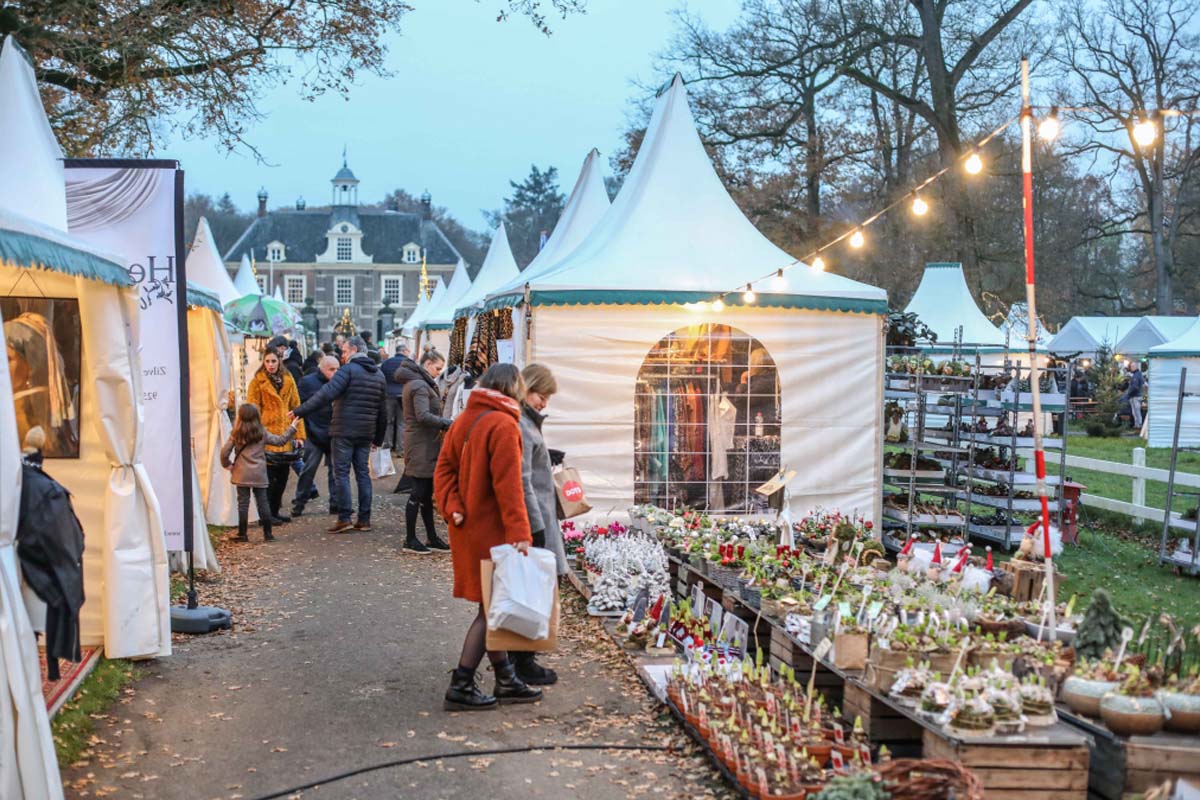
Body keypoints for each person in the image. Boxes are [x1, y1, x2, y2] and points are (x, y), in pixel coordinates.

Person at [435, 363, 542, 710]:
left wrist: (453, 507)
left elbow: (444, 468)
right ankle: (462, 684)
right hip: (492, 533)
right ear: (514, 388)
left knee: (491, 605)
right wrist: (520, 533)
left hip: (467, 528)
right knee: (492, 608)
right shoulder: (503, 423)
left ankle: (506, 678)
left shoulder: (467, 418)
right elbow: (509, 487)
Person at [290, 335, 387, 533]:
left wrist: (300, 411)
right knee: (362, 474)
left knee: (341, 473)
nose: (342, 356)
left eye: (344, 351)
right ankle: (364, 519)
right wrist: (377, 437)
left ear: (353, 350)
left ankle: (344, 518)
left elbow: (326, 394)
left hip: (343, 430)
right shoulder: (378, 375)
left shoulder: (348, 371)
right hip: (366, 432)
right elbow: (383, 411)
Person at [513, 363, 566, 686]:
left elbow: (530, 465)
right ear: (527, 388)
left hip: (538, 515)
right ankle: (522, 661)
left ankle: (521, 660)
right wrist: (534, 527)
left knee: (535, 589)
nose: (544, 403)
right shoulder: (520, 423)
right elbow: (521, 479)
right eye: (540, 395)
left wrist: (549, 456)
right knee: (533, 590)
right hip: (535, 519)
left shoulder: (526, 421)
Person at [399, 349, 453, 553]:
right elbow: (422, 416)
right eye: (438, 368)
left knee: (426, 491)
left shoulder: (417, 383)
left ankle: (431, 537)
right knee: (419, 491)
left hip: (424, 443)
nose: (439, 372)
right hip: (421, 444)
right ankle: (411, 539)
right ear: (428, 363)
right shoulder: (420, 385)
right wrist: (447, 423)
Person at [221, 403, 296, 542]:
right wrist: (292, 428)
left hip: (241, 473)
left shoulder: (236, 433)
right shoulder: (262, 432)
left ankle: (242, 534)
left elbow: (225, 452)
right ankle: (268, 534)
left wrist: (228, 465)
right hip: (259, 473)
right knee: (263, 502)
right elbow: (280, 441)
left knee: (243, 504)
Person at [246, 349, 305, 523]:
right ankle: (267, 515)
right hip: (267, 435)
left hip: (285, 434)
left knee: (283, 477)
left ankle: (275, 510)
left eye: (273, 361)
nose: (270, 365)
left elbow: (296, 407)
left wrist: (299, 434)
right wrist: (257, 433)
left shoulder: (288, 380)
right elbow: (252, 409)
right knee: (269, 478)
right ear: (263, 362)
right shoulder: (258, 382)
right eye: (267, 361)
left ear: (279, 361)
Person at [291, 356, 340, 518]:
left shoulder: (340, 381)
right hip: (313, 432)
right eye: (331, 369)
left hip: (334, 432)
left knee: (336, 471)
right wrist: (302, 431)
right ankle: (299, 503)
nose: (335, 373)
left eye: (337, 369)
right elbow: (301, 406)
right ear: (322, 368)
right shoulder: (307, 382)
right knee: (308, 470)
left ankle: (335, 504)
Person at [382, 343, 415, 452]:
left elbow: (382, 378)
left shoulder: (386, 362)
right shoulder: (409, 363)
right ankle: (401, 448)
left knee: (388, 422)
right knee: (402, 423)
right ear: (405, 351)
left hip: (389, 395)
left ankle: (387, 446)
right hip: (403, 395)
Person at [1123, 361, 1146, 429]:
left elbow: (1135, 387)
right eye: (1131, 367)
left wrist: (1128, 393)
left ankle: (1138, 425)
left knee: (1136, 412)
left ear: (1135, 367)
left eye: (1132, 367)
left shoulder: (1136, 375)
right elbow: (1143, 383)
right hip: (1137, 395)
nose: (1131, 368)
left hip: (1135, 396)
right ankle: (1137, 425)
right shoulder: (1139, 374)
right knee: (1136, 412)